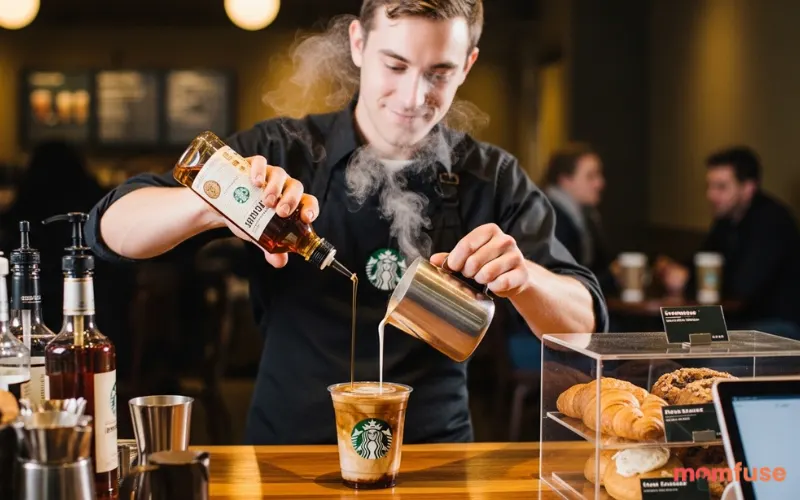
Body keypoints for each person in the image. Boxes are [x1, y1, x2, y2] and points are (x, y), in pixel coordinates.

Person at [85, 0, 609, 445]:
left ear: (467, 65)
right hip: (286, 450)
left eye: (439, 73)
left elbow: (583, 327)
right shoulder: (281, 150)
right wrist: (209, 205)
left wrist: (525, 278)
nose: (412, 96)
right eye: (396, 65)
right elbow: (109, 230)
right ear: (358, 45)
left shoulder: (491, 178)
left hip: (432, 456)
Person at [656, 146, 800, 339]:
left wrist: (687, 279)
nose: (711, 195)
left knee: (700, 352)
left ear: (748, 188)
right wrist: (675, 268)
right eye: (710, 186)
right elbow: (703, 258)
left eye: (721, 187)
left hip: (780, 327)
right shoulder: (725, 220)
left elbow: (742, 288)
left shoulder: (772, 221)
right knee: (667, 335)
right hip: (739, 320)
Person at [541, 143, 617, 295]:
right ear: (565, 180)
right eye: (591, 176)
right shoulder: (549, 218)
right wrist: (612, 277)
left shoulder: (585, 215)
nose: (600, 183)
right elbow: (565, 284)